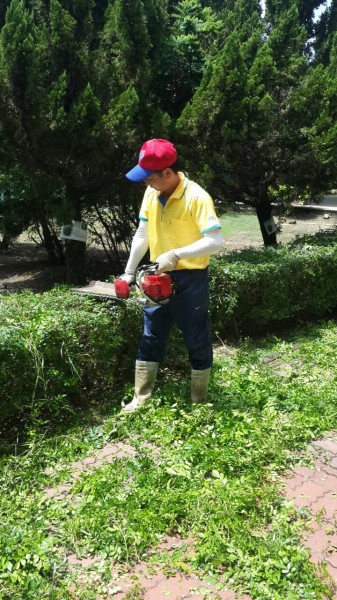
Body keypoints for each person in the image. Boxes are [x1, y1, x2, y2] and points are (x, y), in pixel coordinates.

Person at [120, 138, 223, 413]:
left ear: (167, 172)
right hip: (157, 278)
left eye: (149, 179)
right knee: (151, 334)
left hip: (191, 280)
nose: (146, 184)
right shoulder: (152, 194)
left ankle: (199, 401)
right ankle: (140, 399)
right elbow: (142, 233)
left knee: (196, 337)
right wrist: (129, 273)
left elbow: (215, 241)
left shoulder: (197, 196)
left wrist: (176, 255)